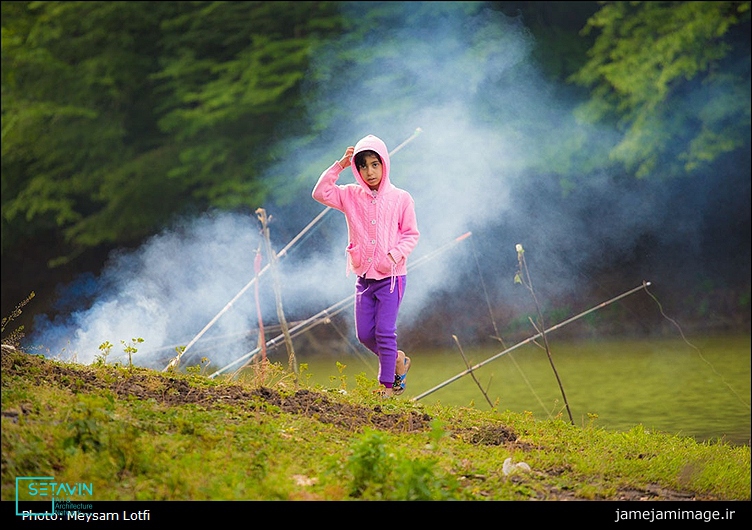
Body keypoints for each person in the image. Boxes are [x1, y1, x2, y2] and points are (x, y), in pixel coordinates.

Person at [312, 134, 419, 396]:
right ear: (357, 169)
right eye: (363, 166)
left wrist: (392, 256)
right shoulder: (350, 195)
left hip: (392, 277)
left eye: (374, 164)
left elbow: (411, 235)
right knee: (365, 336)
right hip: (364, 277)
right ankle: (397, 360)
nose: (369, 171)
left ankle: (387, 387)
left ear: (384, 164)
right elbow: (320, 193)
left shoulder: (401, 198)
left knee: (384, 332)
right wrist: (339, 165)